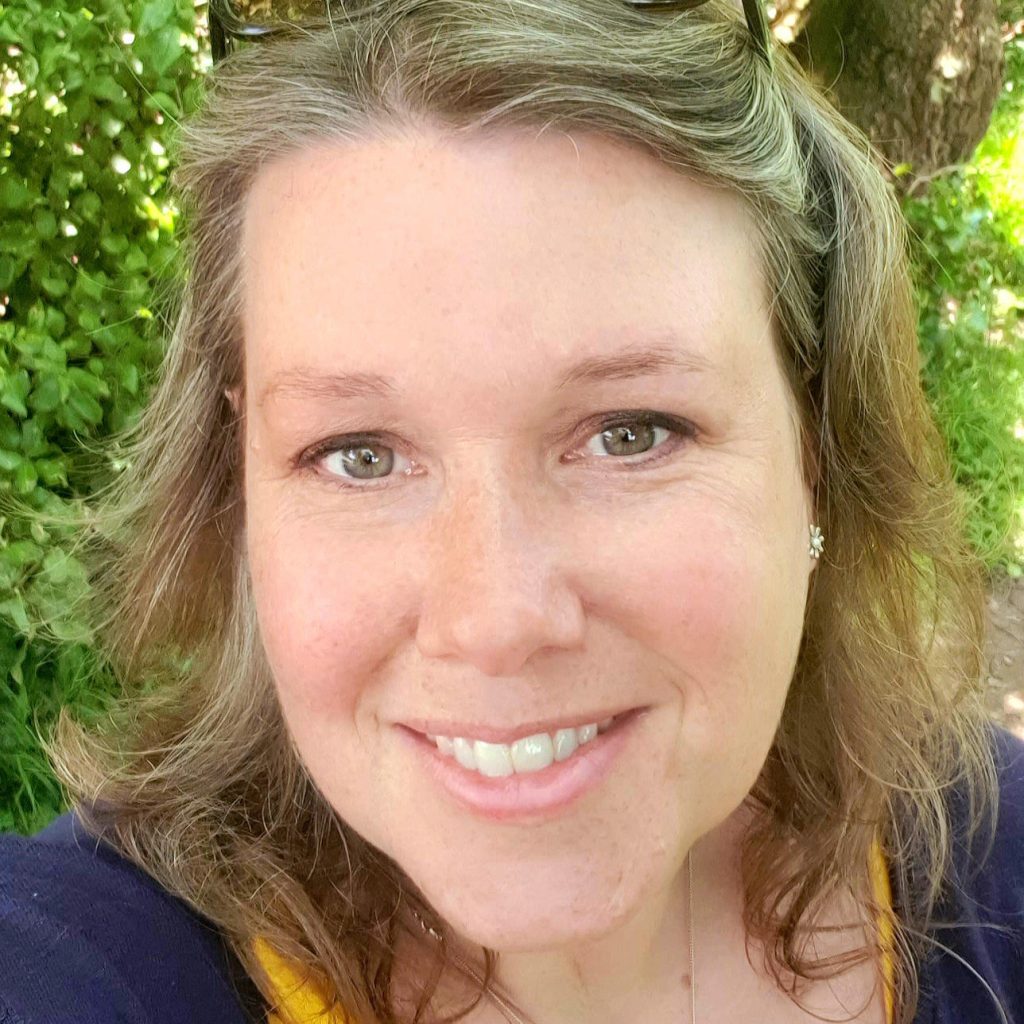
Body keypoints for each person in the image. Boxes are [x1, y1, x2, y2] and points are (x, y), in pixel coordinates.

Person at [1, 0, 1022, 1022]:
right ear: (239, 485)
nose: (492, 620)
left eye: (630, 433)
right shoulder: (83, 963)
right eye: (359, 455)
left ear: (818, 451)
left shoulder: (999, 859)